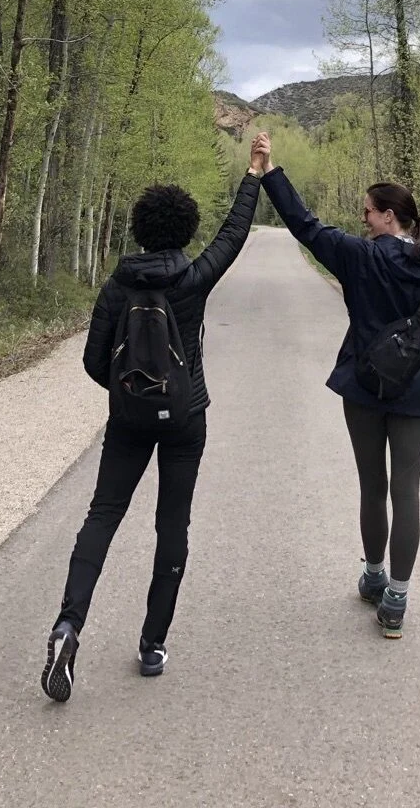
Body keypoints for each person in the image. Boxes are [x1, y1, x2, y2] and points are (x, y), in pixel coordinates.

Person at [40, 150, 264, 702]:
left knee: (102, 517)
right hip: (186, 418)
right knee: (172, 526)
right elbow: (233, 236)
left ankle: (68, 626)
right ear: (185, 229)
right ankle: (152, 644)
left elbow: (95, 361)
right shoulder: (192, 278)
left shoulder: (117, 285)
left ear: (139, 229)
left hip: (127, 421)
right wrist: (253, 175)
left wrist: (128, 392)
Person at [252, 132, 420, 639]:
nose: (362, 218)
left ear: (389, 215)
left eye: (368, 211)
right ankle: (396, 602)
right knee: (406, 490)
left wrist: (269, 172)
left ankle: (373, 576)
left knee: (373, 486)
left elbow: (304, 225)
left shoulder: (358, 257)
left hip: (364, 387)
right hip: (413, 393)